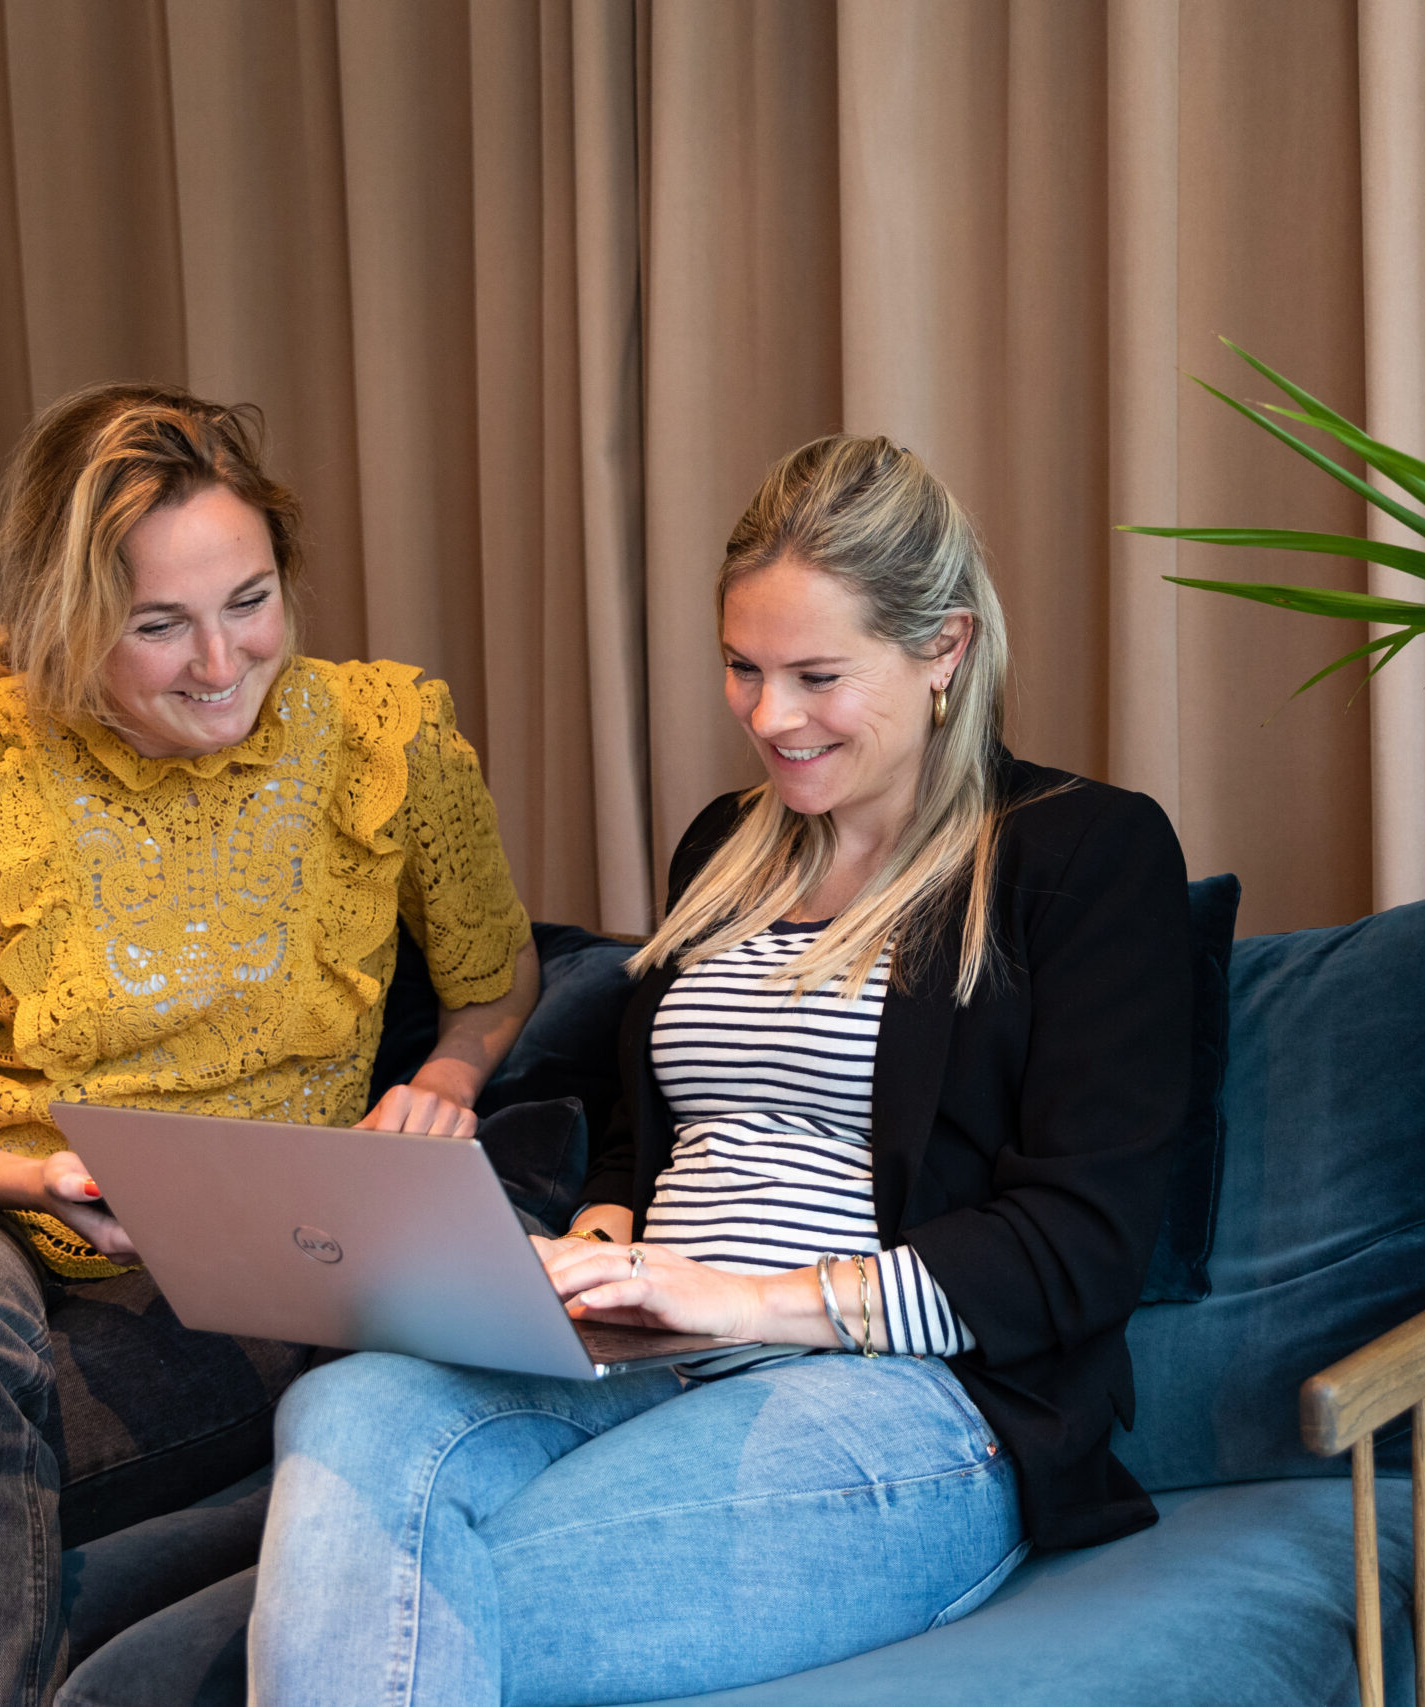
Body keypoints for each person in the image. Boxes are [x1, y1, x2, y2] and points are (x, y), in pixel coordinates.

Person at [241, 433, 1191, 1704]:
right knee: (345, 1411)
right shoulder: (725, 847)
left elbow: (1079, 1243)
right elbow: (653, 1136)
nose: (767, 718)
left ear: (943, 650)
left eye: (815, 676)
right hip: (636, 1356)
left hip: (895, 1396)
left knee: (414, 1604)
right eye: (742, 669)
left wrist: (740, 1300)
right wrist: (595, 1246)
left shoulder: (1080, 858)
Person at [0, 382, 538, 1707]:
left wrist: (445, 1076)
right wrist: (43, 1179)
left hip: (226, 1256)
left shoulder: (387, 736)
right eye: (158, 625)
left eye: (250, 599)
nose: (220, 659)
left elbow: (496, 983)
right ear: (72, 620)